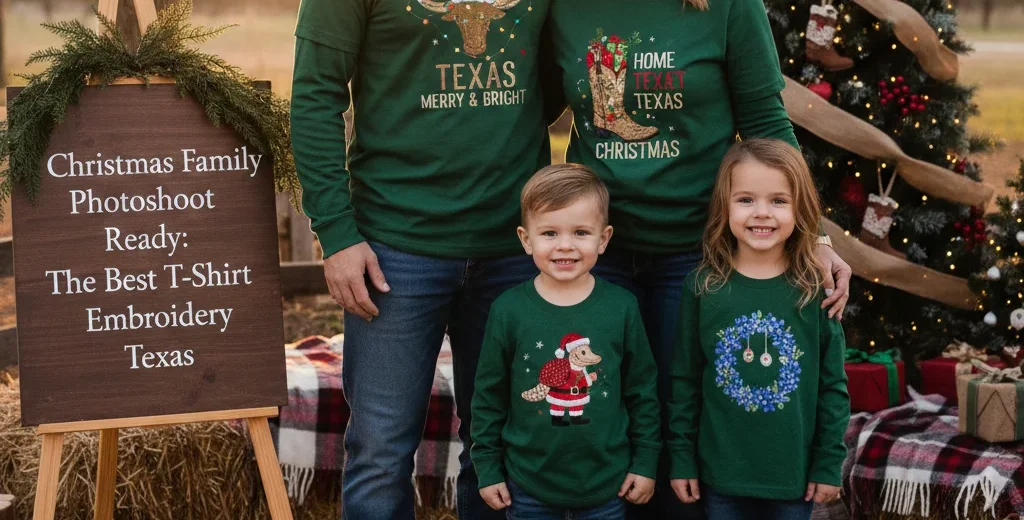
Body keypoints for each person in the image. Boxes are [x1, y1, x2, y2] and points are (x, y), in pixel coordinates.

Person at [542, 2, 853, 515]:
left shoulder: (729, 7)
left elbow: (765, 120)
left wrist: (815, 235)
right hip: (596, 249)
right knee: (599, 410)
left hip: (694, 252)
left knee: (680, 410)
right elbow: (529, 110)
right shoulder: (563, 7)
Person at [289, 0, 554, 517]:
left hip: (517, 246)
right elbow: (315, 96)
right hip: (394, 247)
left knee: (504, 442)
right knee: (381, 450)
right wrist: (337, 234)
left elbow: (557, 77)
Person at [667, 139, 850, 520]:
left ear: (801, 208)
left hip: (793, 479)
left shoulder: (816, 290)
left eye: (779, 201)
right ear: (724, 206)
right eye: (746, 199)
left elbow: (832, 386)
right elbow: (685, 381)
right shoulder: (703, 288)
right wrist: (681, 457)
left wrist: (828, 463)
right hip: (721, 478)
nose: (762, 213)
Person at [471, 163, 662, 519]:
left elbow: (642, 391)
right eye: (549, 233)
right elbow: (488, 395)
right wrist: (487, 466)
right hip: (527, 486)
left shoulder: (622, 307)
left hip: (608, 485)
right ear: (526, 239)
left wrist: (646, 461)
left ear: (603, 239)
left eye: (580, 232)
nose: (565, 246)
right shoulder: (508, 310)